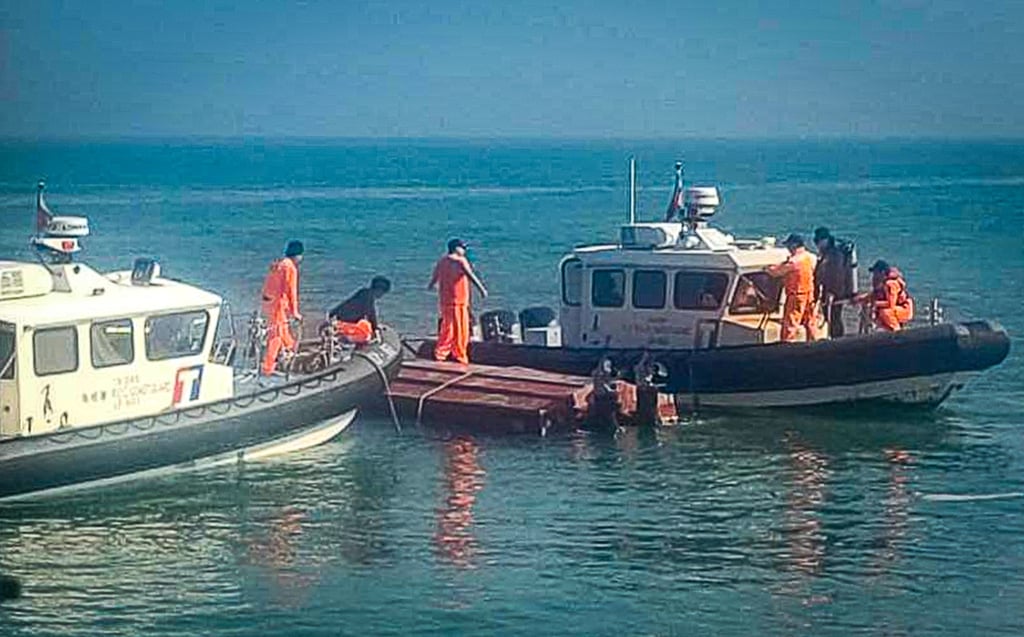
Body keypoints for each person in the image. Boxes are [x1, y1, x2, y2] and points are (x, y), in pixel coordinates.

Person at [428, 238, 488, 364]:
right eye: (463, 248)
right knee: (460, 328)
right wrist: (482, 289)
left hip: (445, 299)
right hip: (458, 300)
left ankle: (441, 352)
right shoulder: (460, 261)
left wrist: (431, 285)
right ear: (456, 248)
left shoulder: (442, 261)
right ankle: (459, 354)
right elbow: (470, 275)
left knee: (447, 326)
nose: (464, 251)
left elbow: (435, 276)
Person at [765, 233, 822, 342]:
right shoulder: (811, 257)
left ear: (794, 245)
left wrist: (766, 269)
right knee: (811, 322)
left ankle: (786, 346)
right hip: (810, 294)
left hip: (796, 295)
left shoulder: (794, 261)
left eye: (789, 246)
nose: (788, 248)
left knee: (790, 323)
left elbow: (776, 273)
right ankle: (814, 344)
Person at [260, 240, 303, 375]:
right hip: (276, 304)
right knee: (277, 335)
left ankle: (289, 351)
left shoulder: (277, 264)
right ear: (297, 255)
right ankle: (268, 367)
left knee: (282, 331)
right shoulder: (290, 268)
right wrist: (295, 312)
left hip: (267, 301)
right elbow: (291, 291)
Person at [813, 227, 857, 338]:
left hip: (834, 293)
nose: (817, 245)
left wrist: (831, 292)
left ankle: (837, 340)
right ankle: (837, 339)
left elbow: (835, 275)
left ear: (825, 241)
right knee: (834, 318)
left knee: (834, 318)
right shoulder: (832, 253)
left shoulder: (834, 255)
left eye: (818, 242)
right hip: (836, 292)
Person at [328, 276, 391, 344]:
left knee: (365, 326)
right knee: (366, 336)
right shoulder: (368, 297)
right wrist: (375, 329)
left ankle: (343, 337)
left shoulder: (364, 293)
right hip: (340, 323)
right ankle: (341, 339)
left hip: (339, 320)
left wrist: (374, 326)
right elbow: (371, 315)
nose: (381, 296)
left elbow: (370, 314)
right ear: (379, 290)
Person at [860, 260, 914, 331]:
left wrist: (874, 304)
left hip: (904, 309)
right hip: (894, 309)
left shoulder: (891, 284)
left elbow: (890, 304)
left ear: (882, 272)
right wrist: (858, 299)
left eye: (876, 273)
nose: (874, 275)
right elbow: (872, 296)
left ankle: (897, 332)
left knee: (885, 313)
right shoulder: (881, 284)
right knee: (876, 313)